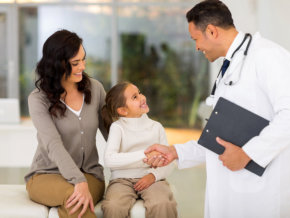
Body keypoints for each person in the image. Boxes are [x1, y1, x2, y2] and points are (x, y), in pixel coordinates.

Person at [144, 0, 290, 218]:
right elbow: (220, 139)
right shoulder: (229, 67)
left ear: (211, 31)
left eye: (196, 39)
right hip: (230, 192)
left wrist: (248, 154)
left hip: (261, 197)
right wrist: (176, 152)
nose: (196, 47)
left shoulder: (268, 56)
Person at [24, 29, 108, 218]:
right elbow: (52, 143)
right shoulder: (38, 99)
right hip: (45, 176)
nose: (82, 67)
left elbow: (113, 132)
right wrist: (77, 181)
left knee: (76, 203)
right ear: (57, 65)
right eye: (75, 63)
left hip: (90, 175)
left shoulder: (95, 89)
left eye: (83, 59)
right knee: (75, 199)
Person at [100, 82, 177, 218]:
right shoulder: (117, 128)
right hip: (121, 180)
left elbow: (169, 161)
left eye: (140, 93)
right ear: (123, 110)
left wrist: (153, 176)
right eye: (134, 97)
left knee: (162, 204)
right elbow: (109, 159)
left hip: (153, 179)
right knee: (113, 206)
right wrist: (145, 154)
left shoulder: (156, 127)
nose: (142, 97)